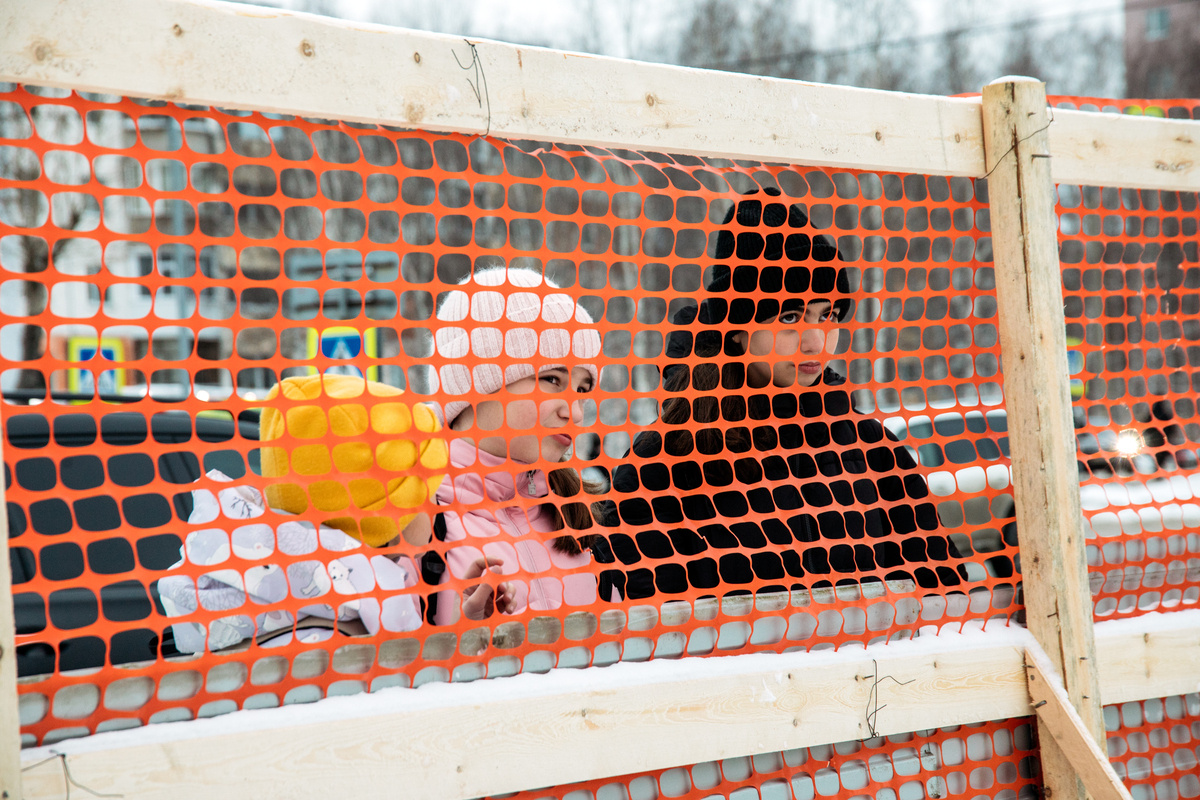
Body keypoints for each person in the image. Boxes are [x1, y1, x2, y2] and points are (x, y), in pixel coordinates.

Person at [607, 188, 969, 599]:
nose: (816, 342)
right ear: (737, 329)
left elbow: (945, 599)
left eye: (828, 315)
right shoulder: (664, 463)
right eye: (791, 317)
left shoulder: (872, 448)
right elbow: (653, 625)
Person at [422, 266, 621, 625]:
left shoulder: (585, 525)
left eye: (581, 390)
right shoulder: (415, 527)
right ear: (477, 380)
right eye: (552, 379)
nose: (575, 411)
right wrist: (466, 635)